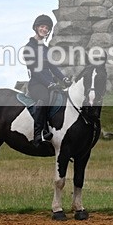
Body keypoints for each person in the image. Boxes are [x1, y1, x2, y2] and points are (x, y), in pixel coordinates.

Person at [22, 15, 71, 147]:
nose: (44, 29)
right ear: (36, 27)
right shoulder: (28, 48)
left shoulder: (45, 49)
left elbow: (53, 67)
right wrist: (48, 84)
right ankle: (39, 134)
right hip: (36, 84)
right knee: (44, 98)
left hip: (50, 83)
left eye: (47, 28)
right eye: (42, 26)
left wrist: (64, 79)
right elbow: (35, 71)